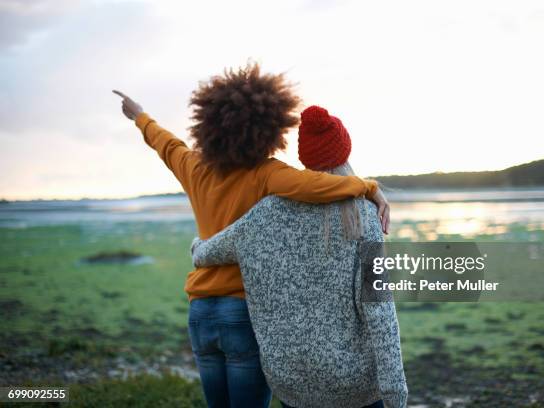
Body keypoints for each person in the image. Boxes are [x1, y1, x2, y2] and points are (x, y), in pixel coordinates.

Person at [112, 63, 391, 408]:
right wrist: (369, 187)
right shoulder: (267, 173)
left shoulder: (194, 167)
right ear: (268, 128)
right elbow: (316, 184)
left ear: (209, 126)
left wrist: (139, 116)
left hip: (200, 311)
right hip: (241, 311)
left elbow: (166, 144)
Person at [191, 105, 408, 408]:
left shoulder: (263, 216)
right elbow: (379, 309)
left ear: (304, 159)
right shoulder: (364, 217)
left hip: (292, 384)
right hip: (355, 385)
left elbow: (204, 254)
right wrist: (395, 394)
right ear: (345, 153)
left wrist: (196, 245)